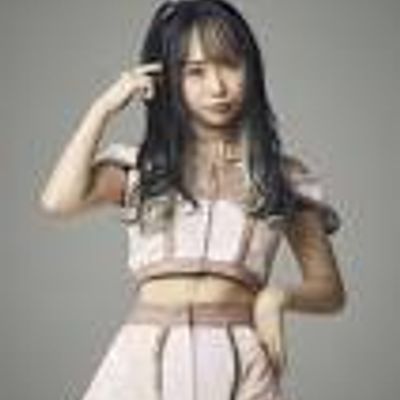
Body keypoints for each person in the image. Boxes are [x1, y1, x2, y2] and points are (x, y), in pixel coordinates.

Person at [39, 1, 346, 399]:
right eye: (195, 71)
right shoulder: (143, 167)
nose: (217, 87)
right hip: (140, 364)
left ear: (251, 69)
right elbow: (58, 201)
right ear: (168, 80)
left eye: (229, 65)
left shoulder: (282, 176)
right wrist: (104, 108)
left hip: (239, 366)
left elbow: (329, 289)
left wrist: (276, 298)